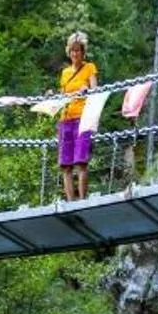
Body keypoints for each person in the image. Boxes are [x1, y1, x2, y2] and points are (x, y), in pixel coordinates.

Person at [56, 31, 97, 201]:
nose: (75, 54)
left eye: (78, 50)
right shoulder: (65, 73)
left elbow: (95, 89)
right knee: (66, 165)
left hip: (83, 118)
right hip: (66, 118)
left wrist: (86, 89)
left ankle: (82, 200)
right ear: (69, 52)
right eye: (72, 50)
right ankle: (70, 201)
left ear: (83, 52)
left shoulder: (89, 68)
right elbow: (62, 95)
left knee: (81, 161)